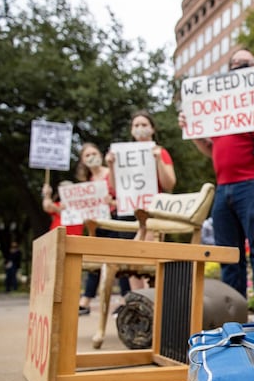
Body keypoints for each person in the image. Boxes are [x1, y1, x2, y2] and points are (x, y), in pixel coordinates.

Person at [178, 48, 254, 331]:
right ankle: (234, 313)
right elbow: (210, 149)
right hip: (224, 189)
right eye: (235, 64)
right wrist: (192, 130)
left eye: (247, 64)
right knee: (229, 255)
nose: (240, 67)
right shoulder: (221, 106)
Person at [106, 110, 177, 290]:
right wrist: (111, 166)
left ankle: (152, 301)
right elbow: (115, 188)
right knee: (132, 263)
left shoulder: (160, 152)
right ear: (131, 131)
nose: (140, 128)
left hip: (151, 212)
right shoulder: (120, 155)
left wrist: (158, 160)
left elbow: (169, 183)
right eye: (136, 125)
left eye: (144, 125)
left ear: (152, 129)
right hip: (128, 212)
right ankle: (137, 304)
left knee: (147, 257)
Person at [75, 142, 130, 315]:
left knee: (118, 260)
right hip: (97, 224)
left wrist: (112, 202)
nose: (91, 157)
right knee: (95, 261)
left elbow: (126, 198)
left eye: (94, 153)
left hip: (114, 221)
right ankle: (86, 300)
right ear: (83, 161)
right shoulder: (87, 183)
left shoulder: (110, 174)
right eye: (87, 155)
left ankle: (125, 299)